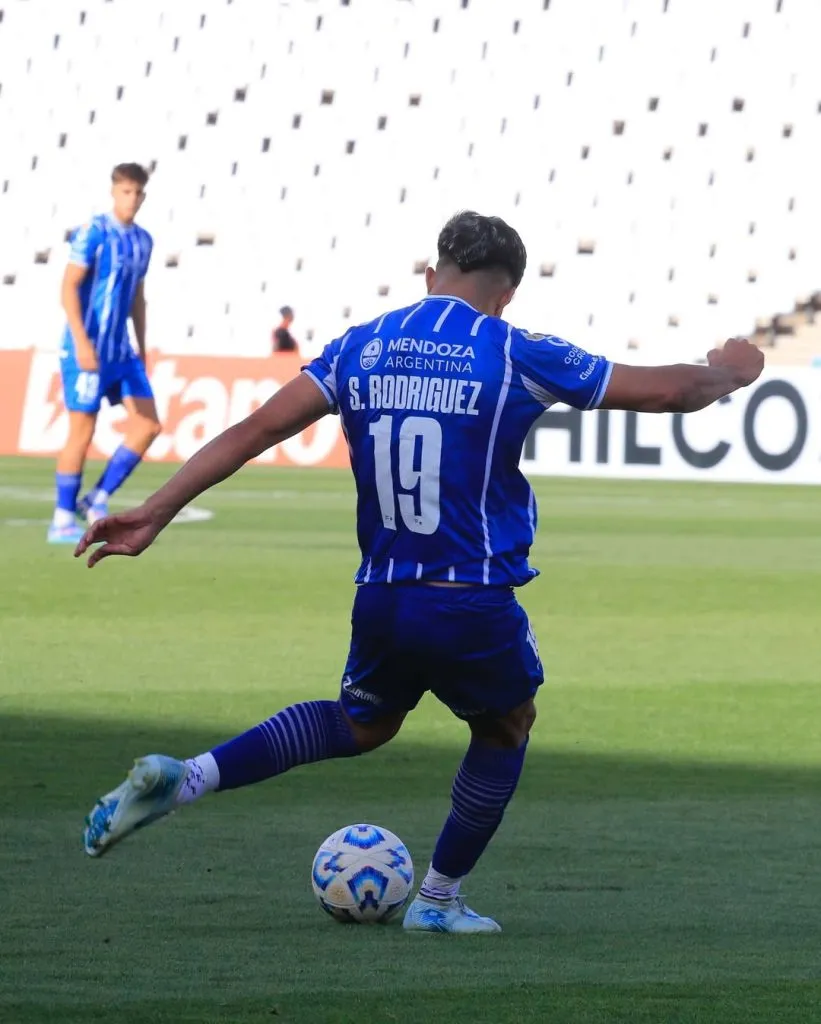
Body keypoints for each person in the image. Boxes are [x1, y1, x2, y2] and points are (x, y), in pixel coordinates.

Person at [75, 211, 763, 934]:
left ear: (430, 276)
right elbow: (664, 392)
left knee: (362, 723)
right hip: (469, 599)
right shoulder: (511, 348)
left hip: (382, 594)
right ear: (505, 295)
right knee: (505, 727)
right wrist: (728, 373)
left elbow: (255, 432)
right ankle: (437, 899)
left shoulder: (359, 346)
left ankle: (186, 778)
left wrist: (154, 511)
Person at [48, 162, 162, 545]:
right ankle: (62, 518)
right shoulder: (93, 233)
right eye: (125, 191)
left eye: (137, 193)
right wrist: (81, 342)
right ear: (114, 192)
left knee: (148, 425)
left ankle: (95, 498)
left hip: (122, 353)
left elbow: (138, 300)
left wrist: (142, 348)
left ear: (143, 196)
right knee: (82, 431)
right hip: (87, 348)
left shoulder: (144, 240)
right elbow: (68, 288)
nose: (131, 199)